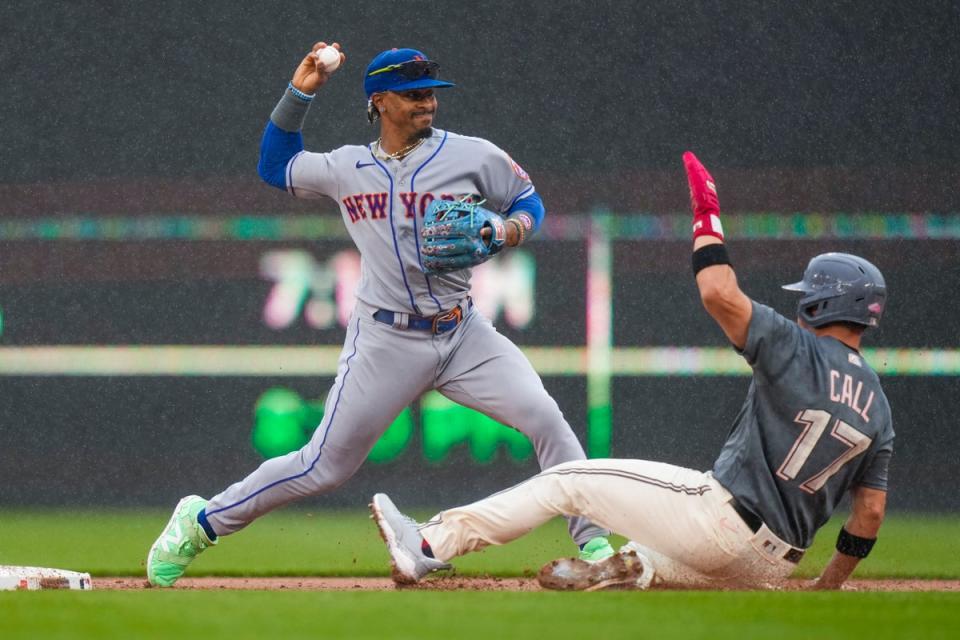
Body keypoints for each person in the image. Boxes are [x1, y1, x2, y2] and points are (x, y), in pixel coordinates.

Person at [145, 42, 612, 587]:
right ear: (380, 100)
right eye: (413, 95)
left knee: (545, 418)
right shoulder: (348, 167)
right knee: (322, 466)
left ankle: (595, 542)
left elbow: (528, 201)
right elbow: (275, 166)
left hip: (462, 332)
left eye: (431, 94)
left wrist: (510, 229)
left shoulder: (473, 155)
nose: (428, 104)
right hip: (386, 341)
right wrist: (301, 92)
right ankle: (200, 522)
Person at [370, 151, 894, 590]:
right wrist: (828, 588)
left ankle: (426, 543)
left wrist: (707, 213)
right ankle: (630, 568)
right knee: (659, 551)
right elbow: (868, 514)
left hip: (721, 521)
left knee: (565, 479)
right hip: (774, 565)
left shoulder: (795, 347)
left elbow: (717, 292)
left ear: (820, 307)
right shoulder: (878, 406)